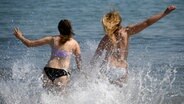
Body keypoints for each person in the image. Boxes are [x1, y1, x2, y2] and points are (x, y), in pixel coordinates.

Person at [91, 5, 176, 86]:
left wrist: (88, 74)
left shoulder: (105, 39)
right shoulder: (126, 32)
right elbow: (147, 23)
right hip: (121, 69)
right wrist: (165, 13)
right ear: (119, 21)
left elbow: (95, 58)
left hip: (108, 68)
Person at [13, 19, 82, 89]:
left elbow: (29, 44)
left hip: (48, 70)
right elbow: (79, 62)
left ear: (59, 29)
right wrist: (82, 73)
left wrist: (20, 37)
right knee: (62, 98)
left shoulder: (52, 39)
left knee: (46, 95)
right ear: (70, 29)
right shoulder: (74, 43)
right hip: (62, 73)